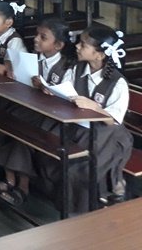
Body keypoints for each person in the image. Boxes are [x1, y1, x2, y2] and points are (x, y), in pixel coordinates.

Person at [0, 18, 77, 206]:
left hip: (52, 117)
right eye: (37, 34)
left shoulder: (67, 68)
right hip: (31, 107)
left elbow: (68, 99)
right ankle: (9, 180)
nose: (36, 39)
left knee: (23, 133)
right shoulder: (33, 59)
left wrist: (46, 89)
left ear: (58, 45)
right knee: (4, 120)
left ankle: (23, 187)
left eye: (43, 37)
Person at [39, 25, 133, 212]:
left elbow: (113, 120)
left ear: (99, 55)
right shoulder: (77, 69)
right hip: (80, 128)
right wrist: (52, 91)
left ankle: (82, 209)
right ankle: (66, 202)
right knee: (48, 148)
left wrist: (95, 107)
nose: (77, 47)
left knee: (79, 167)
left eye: (83, 45)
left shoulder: (117, 83)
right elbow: (66, 92)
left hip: (107, 136)